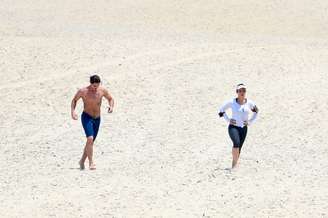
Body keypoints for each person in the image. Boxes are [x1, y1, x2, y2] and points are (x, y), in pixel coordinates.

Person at [71, 75, 114, 170]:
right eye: (94, 86)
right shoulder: (83, 91)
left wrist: (111, 106)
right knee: (90, 138)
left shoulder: (102, 90)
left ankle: (82, 161)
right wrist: (73, 111)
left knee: (90, 142)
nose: (96, 88)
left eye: (97, 86)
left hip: (97, 119)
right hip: (87, 117)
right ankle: (91, 163)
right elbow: (74, 100)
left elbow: (110, 99)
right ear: (90, 84)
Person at [218, 83, 258, 168]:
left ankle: (234, 164)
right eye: (240, 91)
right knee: (236, 143)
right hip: (233, 127)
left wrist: (250, 121)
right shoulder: (232, 102)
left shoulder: (249, 103)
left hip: (244, 128)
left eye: (244, 90)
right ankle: (234, 167)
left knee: (239, 148)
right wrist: (228, 120)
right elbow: (221, 110)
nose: (242, 92)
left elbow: (256, 111)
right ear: (237, 92)